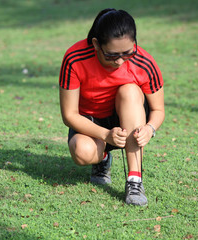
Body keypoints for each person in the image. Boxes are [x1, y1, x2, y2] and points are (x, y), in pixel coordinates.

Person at [59, 8, 165, 206]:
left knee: (130, 91)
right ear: (96, 44)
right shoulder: (75, 58)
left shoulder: (144, 62)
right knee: (81, 151)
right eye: (111, 55)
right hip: (90, 121)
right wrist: (106, 135)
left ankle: (135, 180)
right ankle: (103, 158)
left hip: (128, 117)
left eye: (127, 53)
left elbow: (158, 110)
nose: (119, 61)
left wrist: (150, 129)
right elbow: (69, 115)